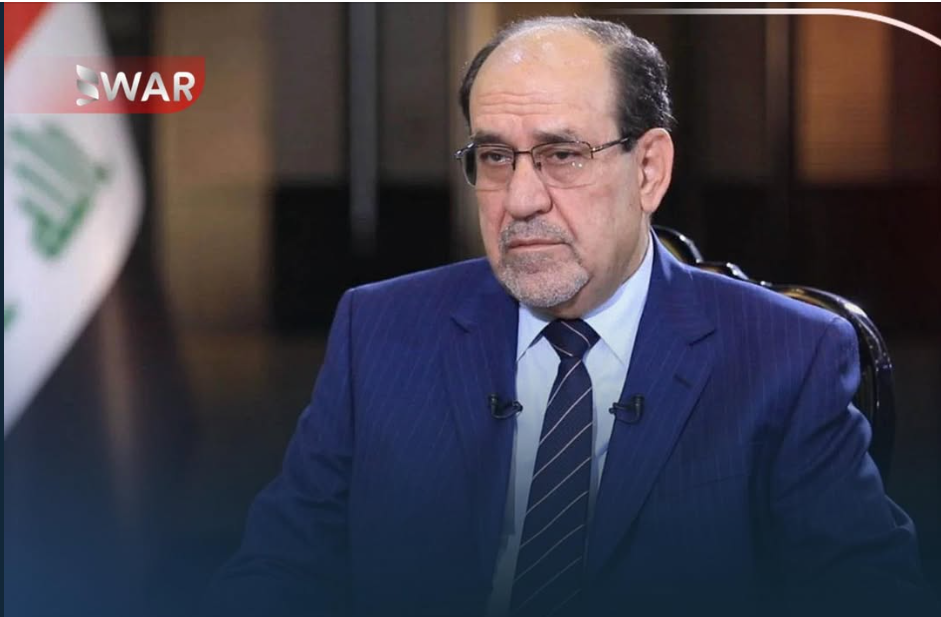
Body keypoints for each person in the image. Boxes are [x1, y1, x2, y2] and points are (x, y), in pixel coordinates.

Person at [205, 16, 933, 617]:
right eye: (496, 157)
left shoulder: (787, 353)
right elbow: (279, 569)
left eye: (562, 154)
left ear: (648, 169)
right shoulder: (381, 329)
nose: (521, 199)